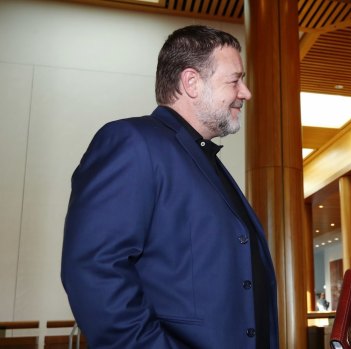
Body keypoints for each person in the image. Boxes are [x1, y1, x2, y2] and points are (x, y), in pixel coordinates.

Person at [61, 25, 278, 348]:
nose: (245, 92)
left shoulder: (204, 158)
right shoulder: (132, 141)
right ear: (191, 82)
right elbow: (95, 270)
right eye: (235, 80)